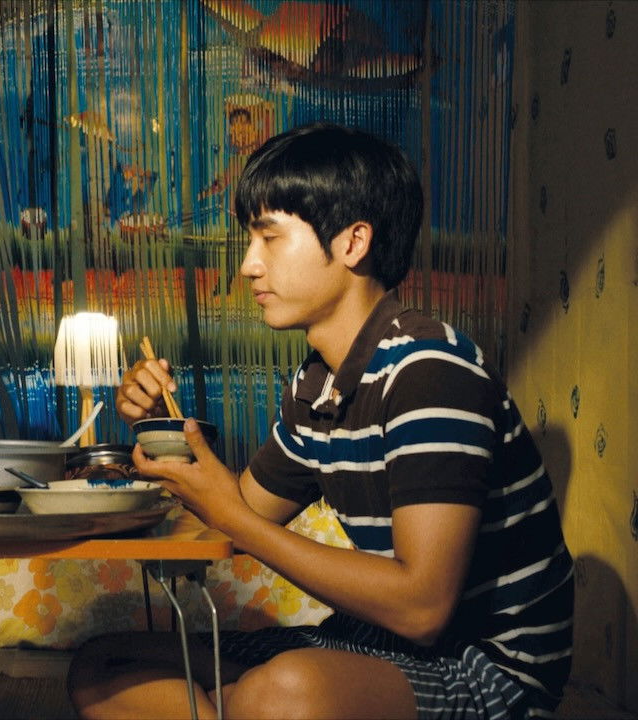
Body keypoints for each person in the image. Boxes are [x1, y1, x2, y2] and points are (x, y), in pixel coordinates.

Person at [68, 123, 573, 719]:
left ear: (354, 242)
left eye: (269, 237)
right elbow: (236, 518)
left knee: (282, 693)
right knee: (104, 665)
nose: (249, 265)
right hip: (376, 643)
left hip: (484, 671)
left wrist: (232, 517)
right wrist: (160, 426)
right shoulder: (317, 385)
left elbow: (423, 608)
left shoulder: (429, 371)